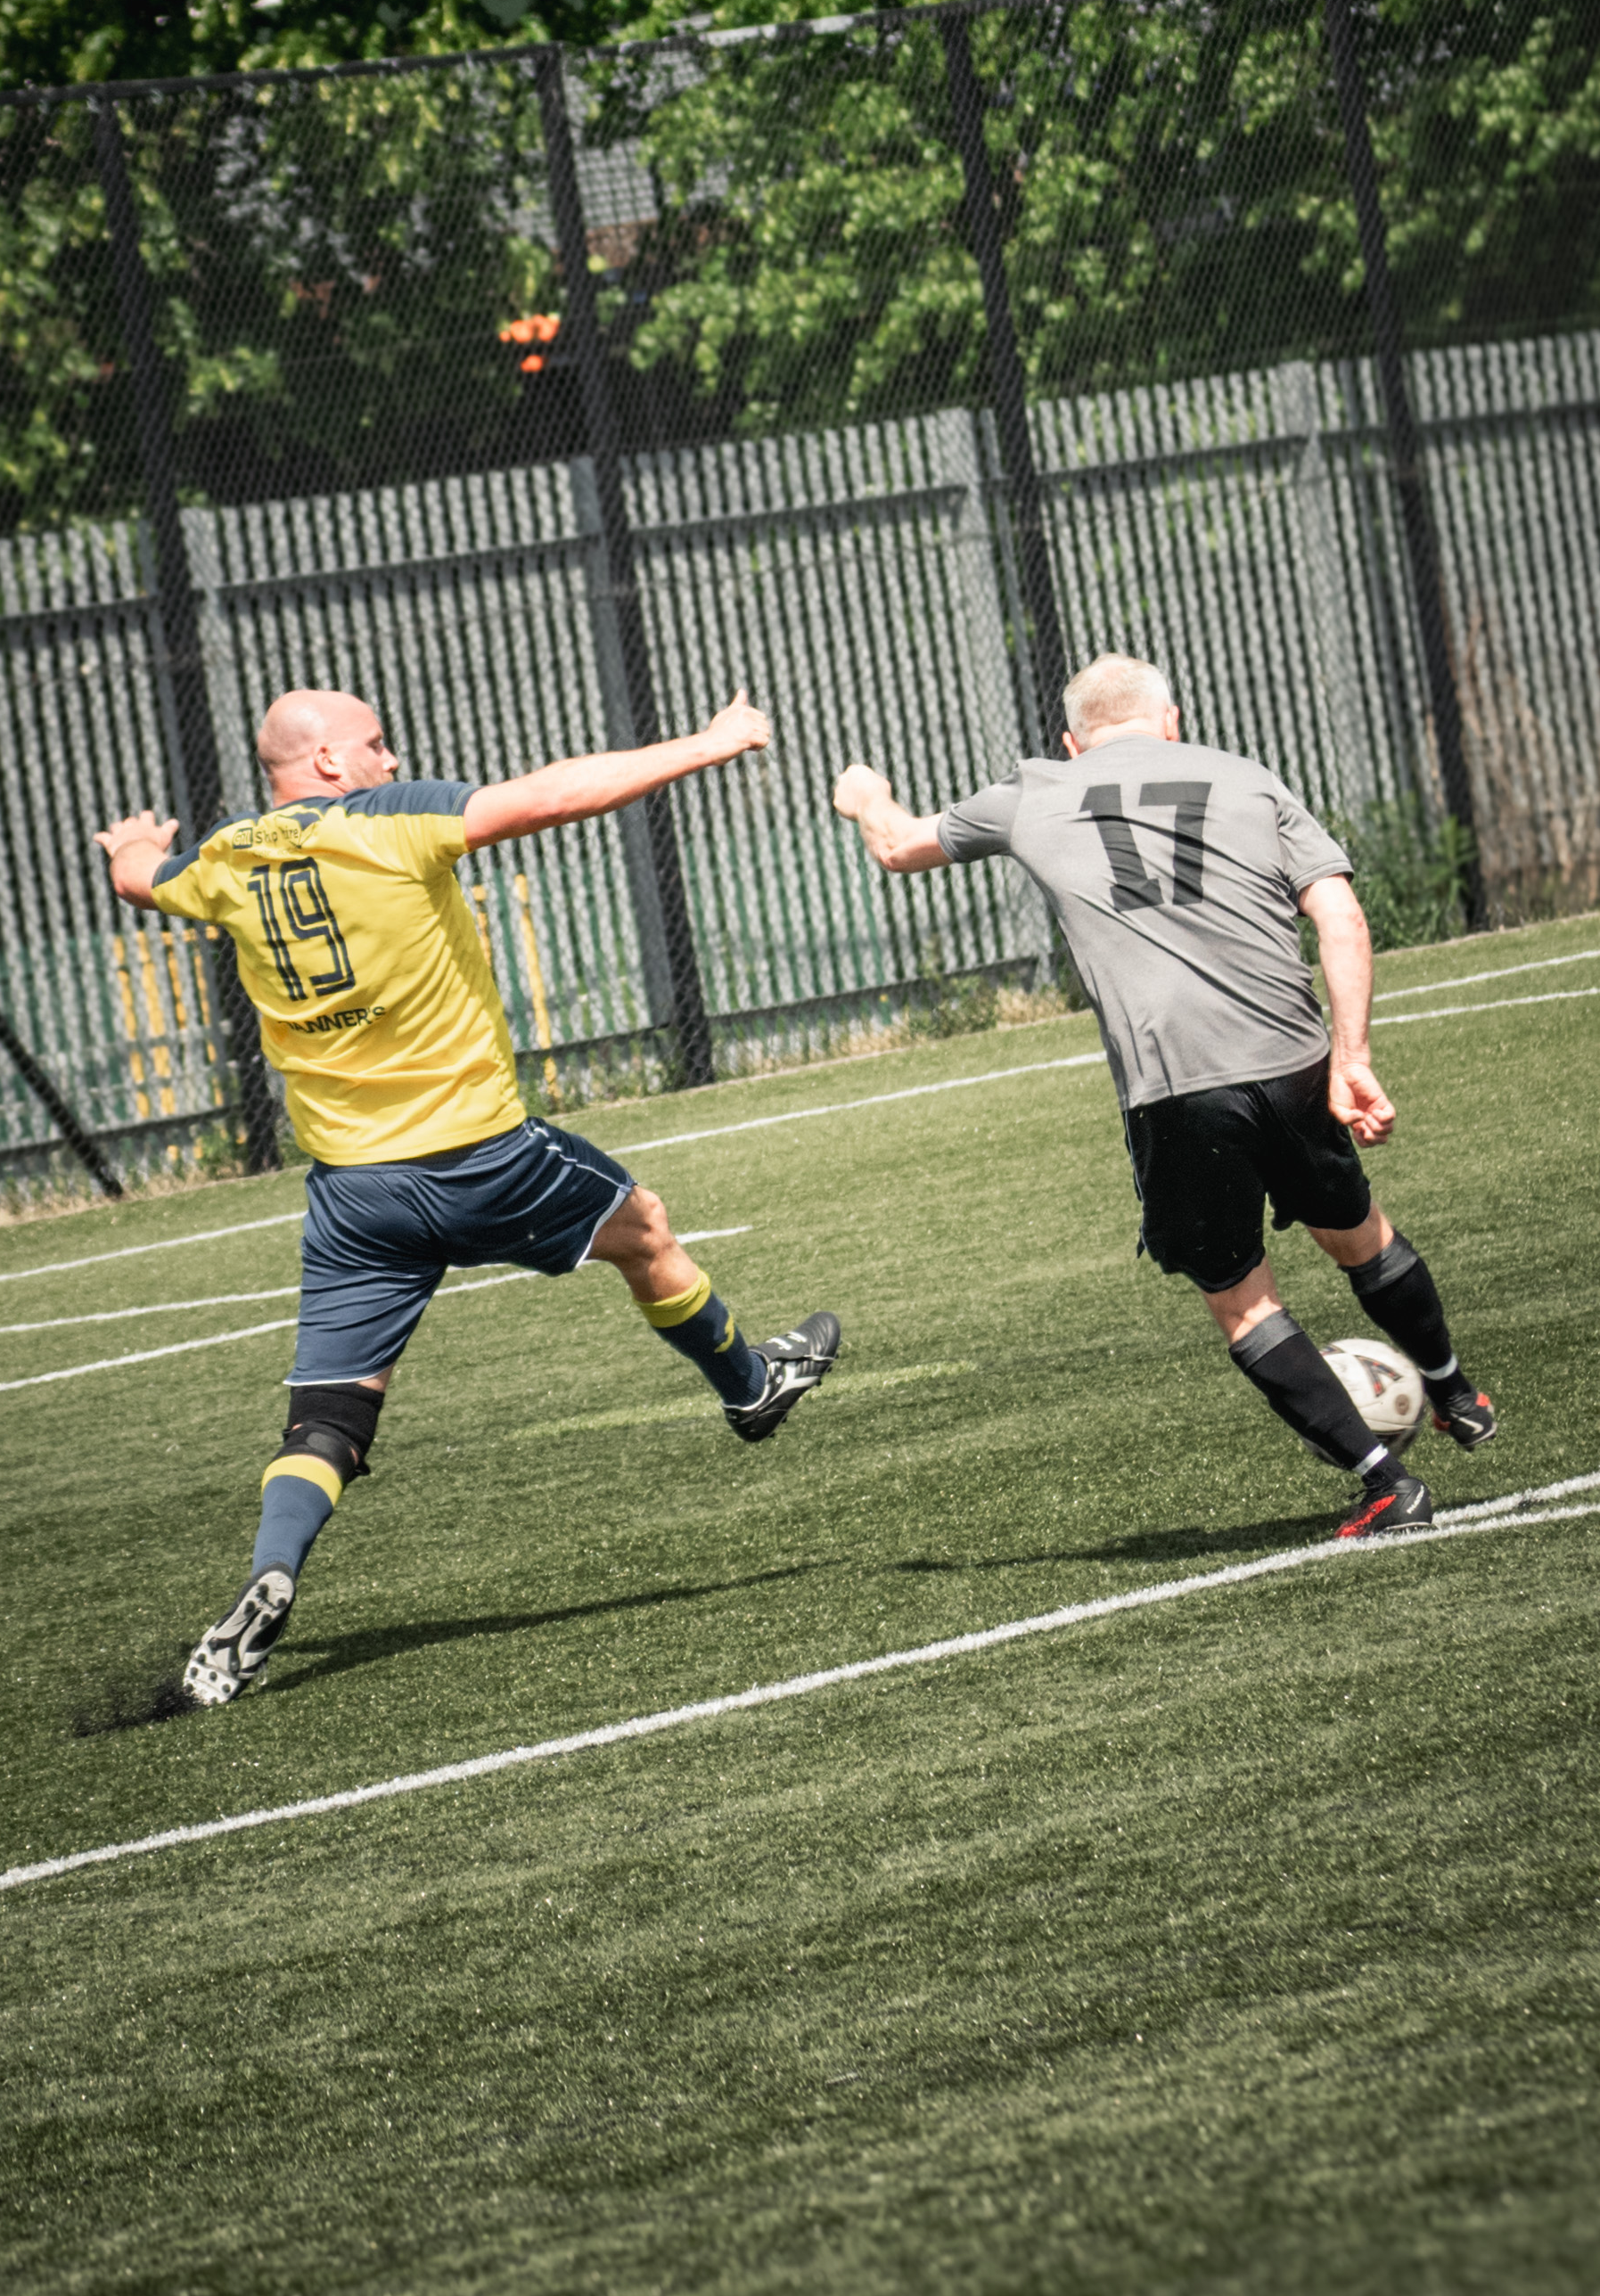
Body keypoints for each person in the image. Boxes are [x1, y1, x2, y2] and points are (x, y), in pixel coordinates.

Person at [94, 686, 840, 1705]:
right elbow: (547, 797)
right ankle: (750, 1389)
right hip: (480, 1157)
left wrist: (126, 845)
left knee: (327, 1419)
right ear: (322, 764)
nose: (391, 754)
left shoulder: (226, 859)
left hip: (355, 1194)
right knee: (646, 1229)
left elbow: (144, 879)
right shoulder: (384, 820)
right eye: (373, 742)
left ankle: (271, 1577)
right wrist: (708, 746)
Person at [832, 652, 1494, 1538]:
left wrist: (864, 795)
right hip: (1291, 1057)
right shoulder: (1247, 781)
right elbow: (1337, 913)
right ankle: (1453, 1390)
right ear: (1170, 721)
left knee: (1241, 1297)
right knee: (1355, 1233)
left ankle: (1385, 1484)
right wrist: (1353, 1055)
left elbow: (894, 846)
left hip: (1175, 1087)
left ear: (1071, 740)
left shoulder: (1034, 790)